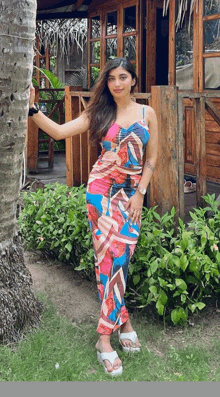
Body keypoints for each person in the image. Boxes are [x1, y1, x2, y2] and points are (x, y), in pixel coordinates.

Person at [28, 57, 158, 377]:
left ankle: (123, 319)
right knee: (111, 260)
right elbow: (58, 132)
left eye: (123, 77)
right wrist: (32, 110)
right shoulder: (99, 113)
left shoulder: (147, 113)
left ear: (133, 80)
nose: (117, 83)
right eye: (112, 78)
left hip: (130, 197)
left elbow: (152, 157)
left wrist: (141, 192)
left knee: (118, 260)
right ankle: (104, 339)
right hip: (100, 195)